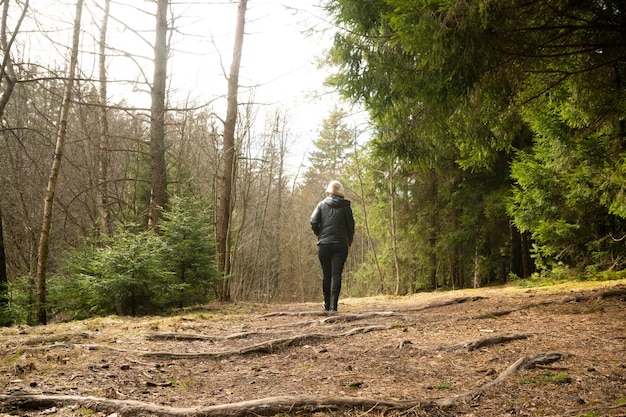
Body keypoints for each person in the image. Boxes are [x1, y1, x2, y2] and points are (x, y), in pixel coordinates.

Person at [310, 180, 355, 312]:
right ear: (341, 193)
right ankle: (334, 306)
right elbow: (351, 227)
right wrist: (349, 241)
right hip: (341, 244)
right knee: (337, 274)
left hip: (324, 244)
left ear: (329, 191)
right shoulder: (346, 207)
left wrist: (320, 234)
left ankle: (326, 303)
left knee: (326, 274)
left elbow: (313, 221)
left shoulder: (321, 204)